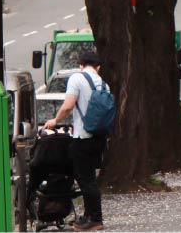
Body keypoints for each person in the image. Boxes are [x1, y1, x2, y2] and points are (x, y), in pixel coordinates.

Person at [43, 50, 107, 231]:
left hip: (83, 136)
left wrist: (55, 121)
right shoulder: (103, 84)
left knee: (86, 179)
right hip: (99, 136)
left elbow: (69, 105)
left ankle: (95, 219)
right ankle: (89, 216)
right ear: (98, 67)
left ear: (81, 64)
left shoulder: (77, 79)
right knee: (88, 177)